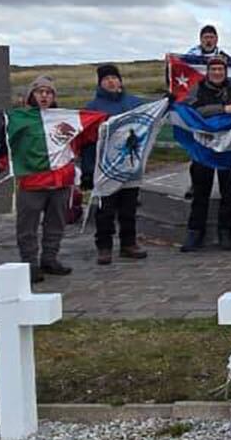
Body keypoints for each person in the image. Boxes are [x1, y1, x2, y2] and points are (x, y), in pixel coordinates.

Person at [79, 63, 148, 266]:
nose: (111, 81)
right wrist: (87, 170)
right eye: (106, 78)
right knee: (105, 210)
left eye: (114, 77)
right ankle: (104, 246)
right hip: (105, 168)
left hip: (130, 166)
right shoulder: (92, 109)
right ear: (100, 82)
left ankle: (128, 243)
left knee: (129, 208)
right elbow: (87, 142)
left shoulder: (134, 103)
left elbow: (153, 112)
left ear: (120, 80)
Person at [180, 53, 231, 252]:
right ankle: (195, 232)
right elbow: (193, 112)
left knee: (229, 193)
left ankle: (226, 233)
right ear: (208, 72)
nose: (217, 72)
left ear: (225, 71)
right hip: (203, 150)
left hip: (228, 149)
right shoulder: (197, 90)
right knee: (200, 192)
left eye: (220, 69)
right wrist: (222, 109)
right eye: (213, 69)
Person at [13, 75, 77, 283]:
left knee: (56, 223)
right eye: (40, 91)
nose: (44, 95)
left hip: (60, 181)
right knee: (27, 226)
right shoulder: (19, 119)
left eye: (49, 92)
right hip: (32, 182)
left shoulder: (64, 118)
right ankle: (29, 263)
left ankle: (50, 258)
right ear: (31, 95)